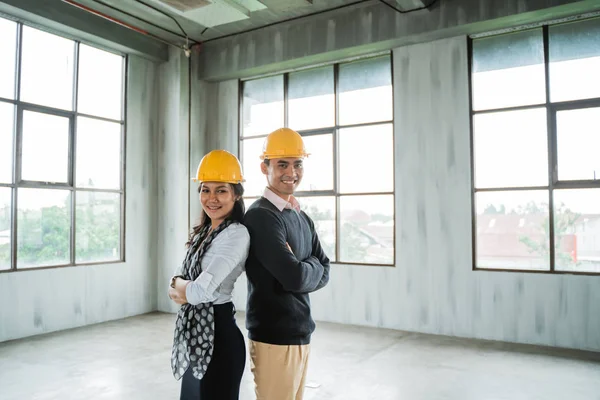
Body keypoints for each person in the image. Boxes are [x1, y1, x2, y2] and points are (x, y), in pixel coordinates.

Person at [244, 127, 331, 400]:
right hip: (273, 335)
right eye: (282, 164)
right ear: (264, 167)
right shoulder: (261, 216)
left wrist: (306, 266)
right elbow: (294, 278)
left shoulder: (301, 216)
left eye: (297, 164)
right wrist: (308, 266)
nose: (291, 172)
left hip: (300, 331)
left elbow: (326, 268)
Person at [168, 149, 250, 400]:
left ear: (236, 194)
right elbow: (178, 283)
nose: (211, 198)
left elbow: (198, 292)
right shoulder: (205, 232)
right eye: (205, 189)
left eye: (221, 190)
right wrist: (180, 284)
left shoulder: (236, 235)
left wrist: (180, 285)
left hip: (220, 337)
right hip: (197, 334)